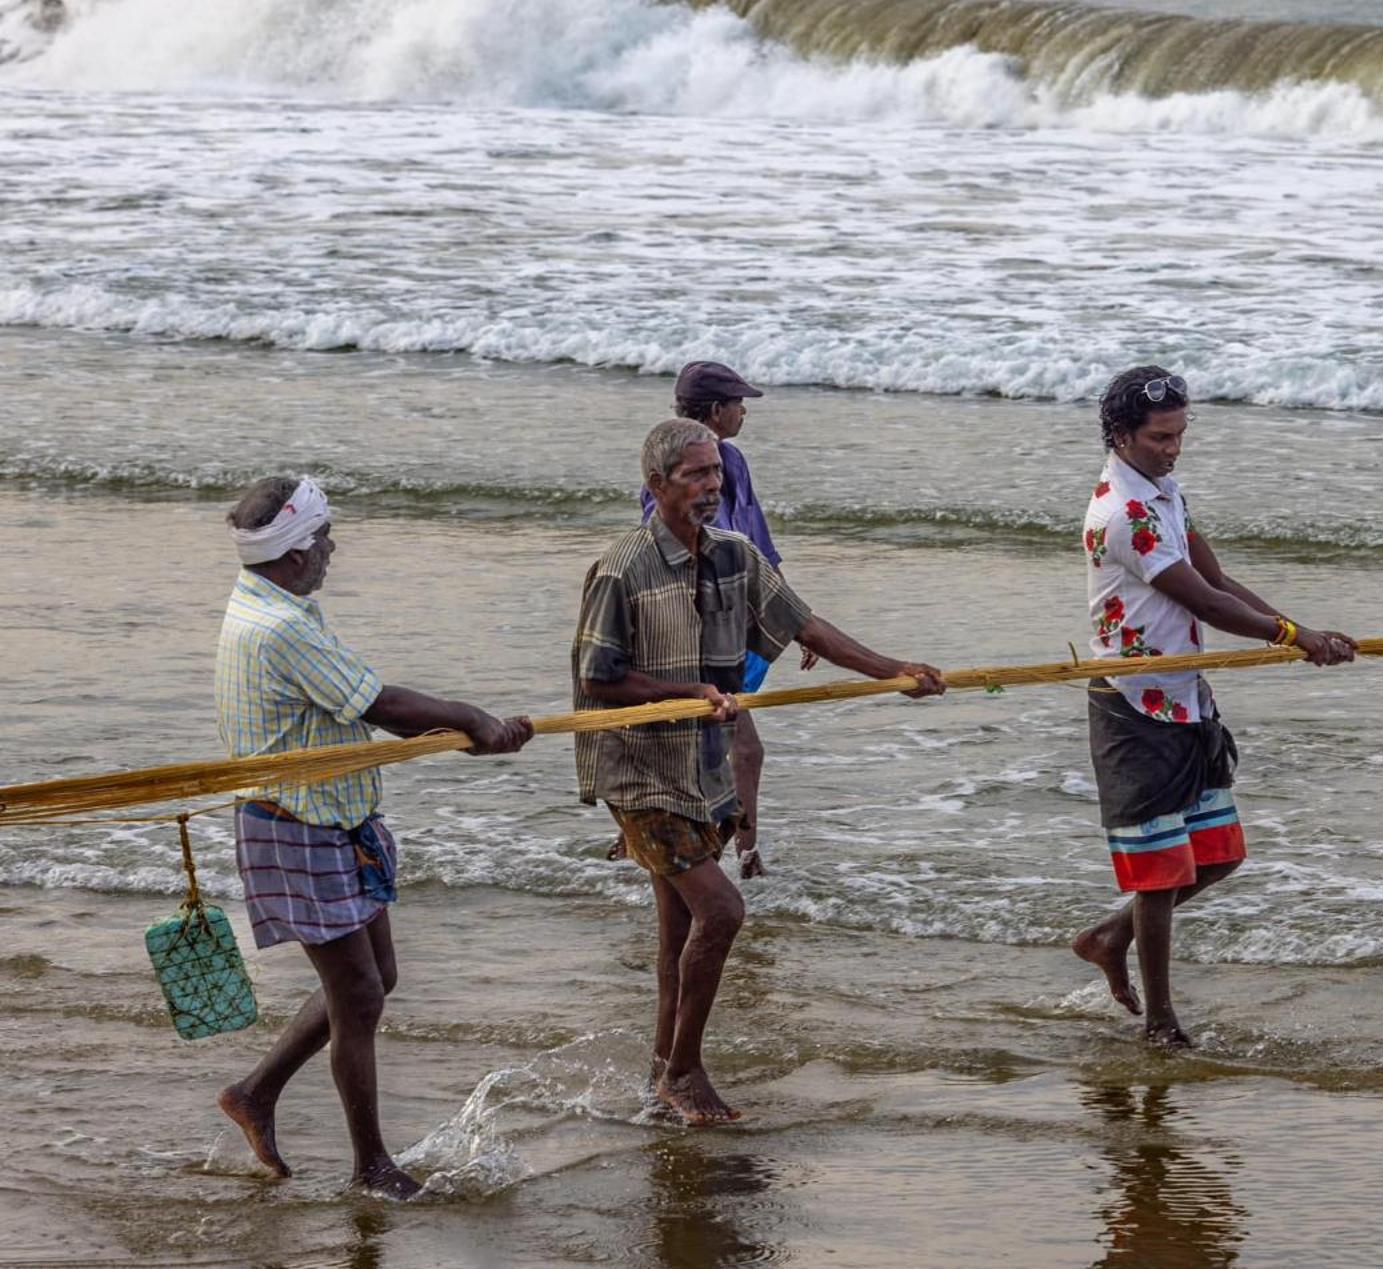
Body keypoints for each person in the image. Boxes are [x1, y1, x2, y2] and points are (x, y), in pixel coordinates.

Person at [573, 418, 946, 1124]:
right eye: (696, 475)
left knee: (678, 932)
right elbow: (599, 680)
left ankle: (660, 1073)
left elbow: (807, 626)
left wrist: (894, 670)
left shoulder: (736, 557)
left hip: (704, 772)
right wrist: (681, 694)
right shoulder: (623, 567)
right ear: (656, 486)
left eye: (717, 473)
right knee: (722, 910)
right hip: (642, 773)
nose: (712, 487)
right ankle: (684, 1072)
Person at [211, 475, 533, 1199]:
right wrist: (473, 720)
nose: (332, 548)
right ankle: (370, 1167)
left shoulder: (273, 600)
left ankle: (256, 1092)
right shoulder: (282, 626)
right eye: (322, 538)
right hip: (296, 828)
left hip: (330, 819)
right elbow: (381, 704)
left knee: (372, 980)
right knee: (358, 990)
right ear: (293, 553)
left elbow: (361, 700)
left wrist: (463, 726)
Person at [1069, 366, 1354, 1048]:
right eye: (1159, 438)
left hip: (1185, 696)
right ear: (1121, 434)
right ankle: (1162, 1022)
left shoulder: (1164, 493)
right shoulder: (1123, 514)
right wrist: (1294, 637)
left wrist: (1299, 631)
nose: (1173, 448)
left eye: (1179, 435)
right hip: (1134, 704)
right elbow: (1201, 601)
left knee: (1218, 854)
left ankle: (1110, 936)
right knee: (1161, 872)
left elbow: (1218, 579)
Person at [628, 361, 809, 880]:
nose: (744, 411)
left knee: (708, 744)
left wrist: (791, 618)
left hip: (741, 623)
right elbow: (677, 564)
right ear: (715, 410)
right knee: (741, 746)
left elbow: (757, 548)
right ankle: (739, 857)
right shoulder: (673, 479)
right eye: (737, 403)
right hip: (697, 636)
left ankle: (680, 845)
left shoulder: (734, 463)